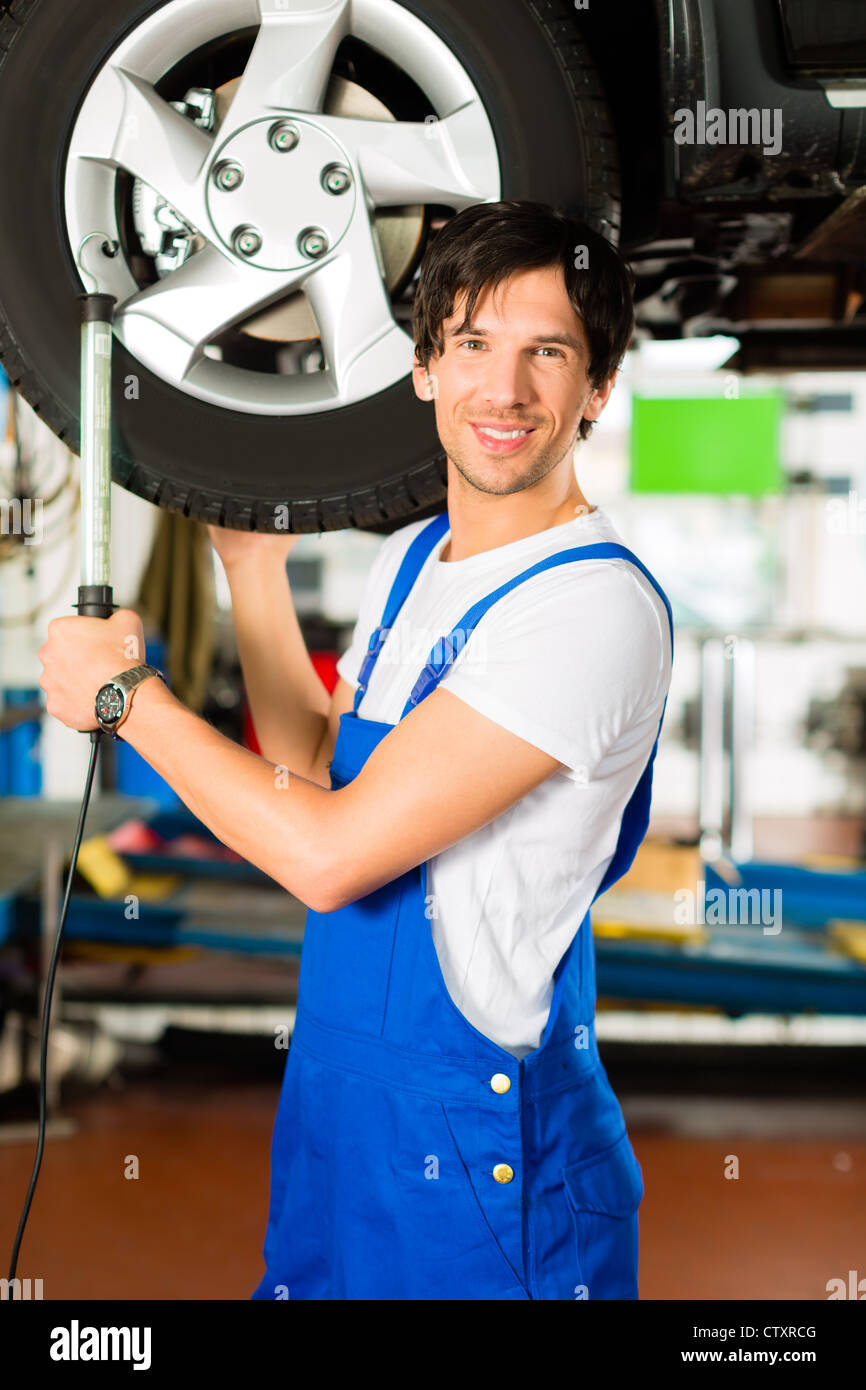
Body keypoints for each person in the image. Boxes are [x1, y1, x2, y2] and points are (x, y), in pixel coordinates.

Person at [37, 200, 673, 1301]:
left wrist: (130, 702)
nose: (504, 390)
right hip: (341, 1120)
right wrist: (251, 569)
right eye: (472, 344)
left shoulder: (589, 609)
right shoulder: (414, 561)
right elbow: (325, 782)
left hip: (483, 1160)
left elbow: (330, 856)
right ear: (424, 367)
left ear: (596, 388)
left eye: (547, 353)